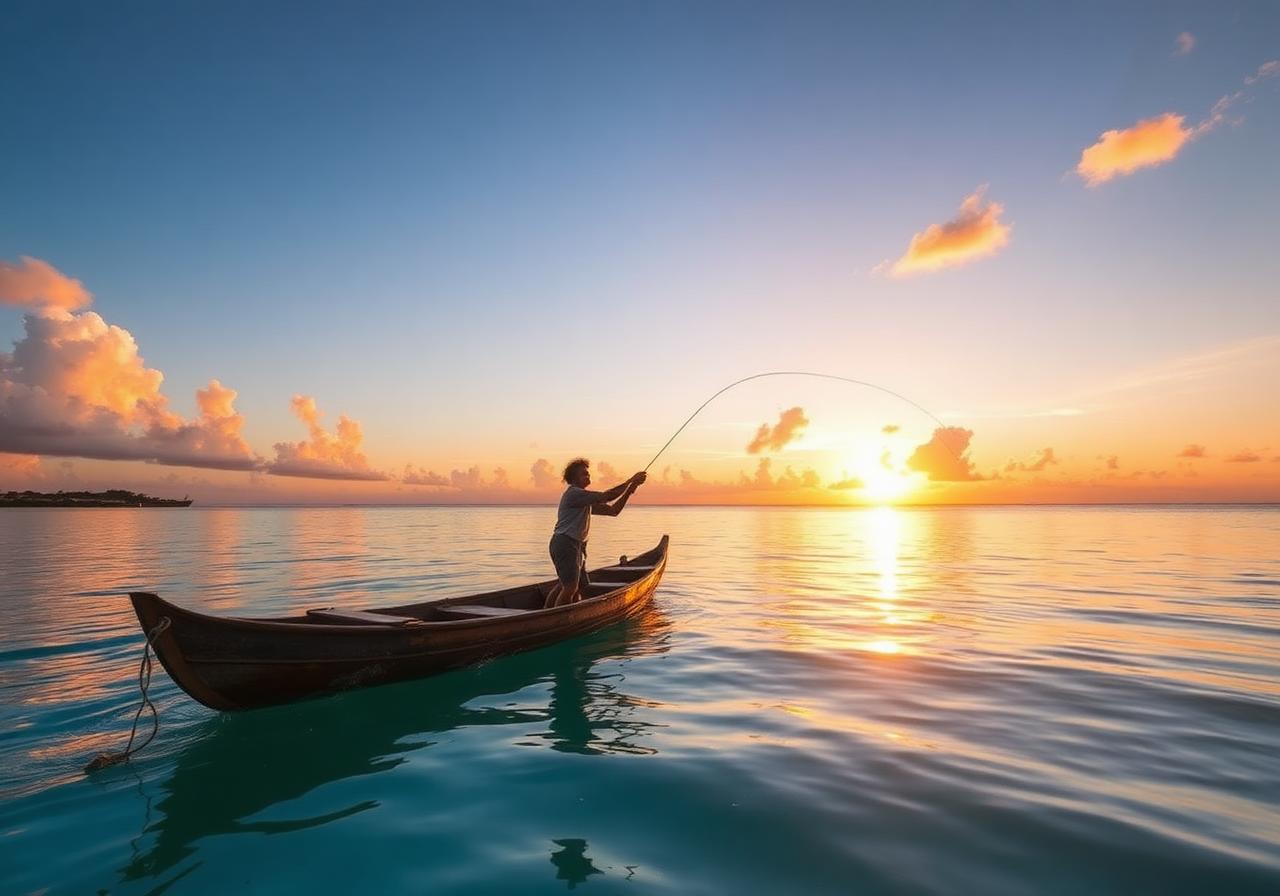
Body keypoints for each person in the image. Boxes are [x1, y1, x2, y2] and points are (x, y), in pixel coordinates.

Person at [544, 459, 647, 608]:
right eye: (584, 474)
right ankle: (556, 619)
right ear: (574, 478)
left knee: (568, 585)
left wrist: (630, 490)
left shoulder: (584, 501)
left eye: (588, 473)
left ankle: (549, 611)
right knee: (570, 587)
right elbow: (608, 496)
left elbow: (613, 511)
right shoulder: (574, 493)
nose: (588, 476)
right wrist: (630, 480)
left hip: (575, 546)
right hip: (566, 543)